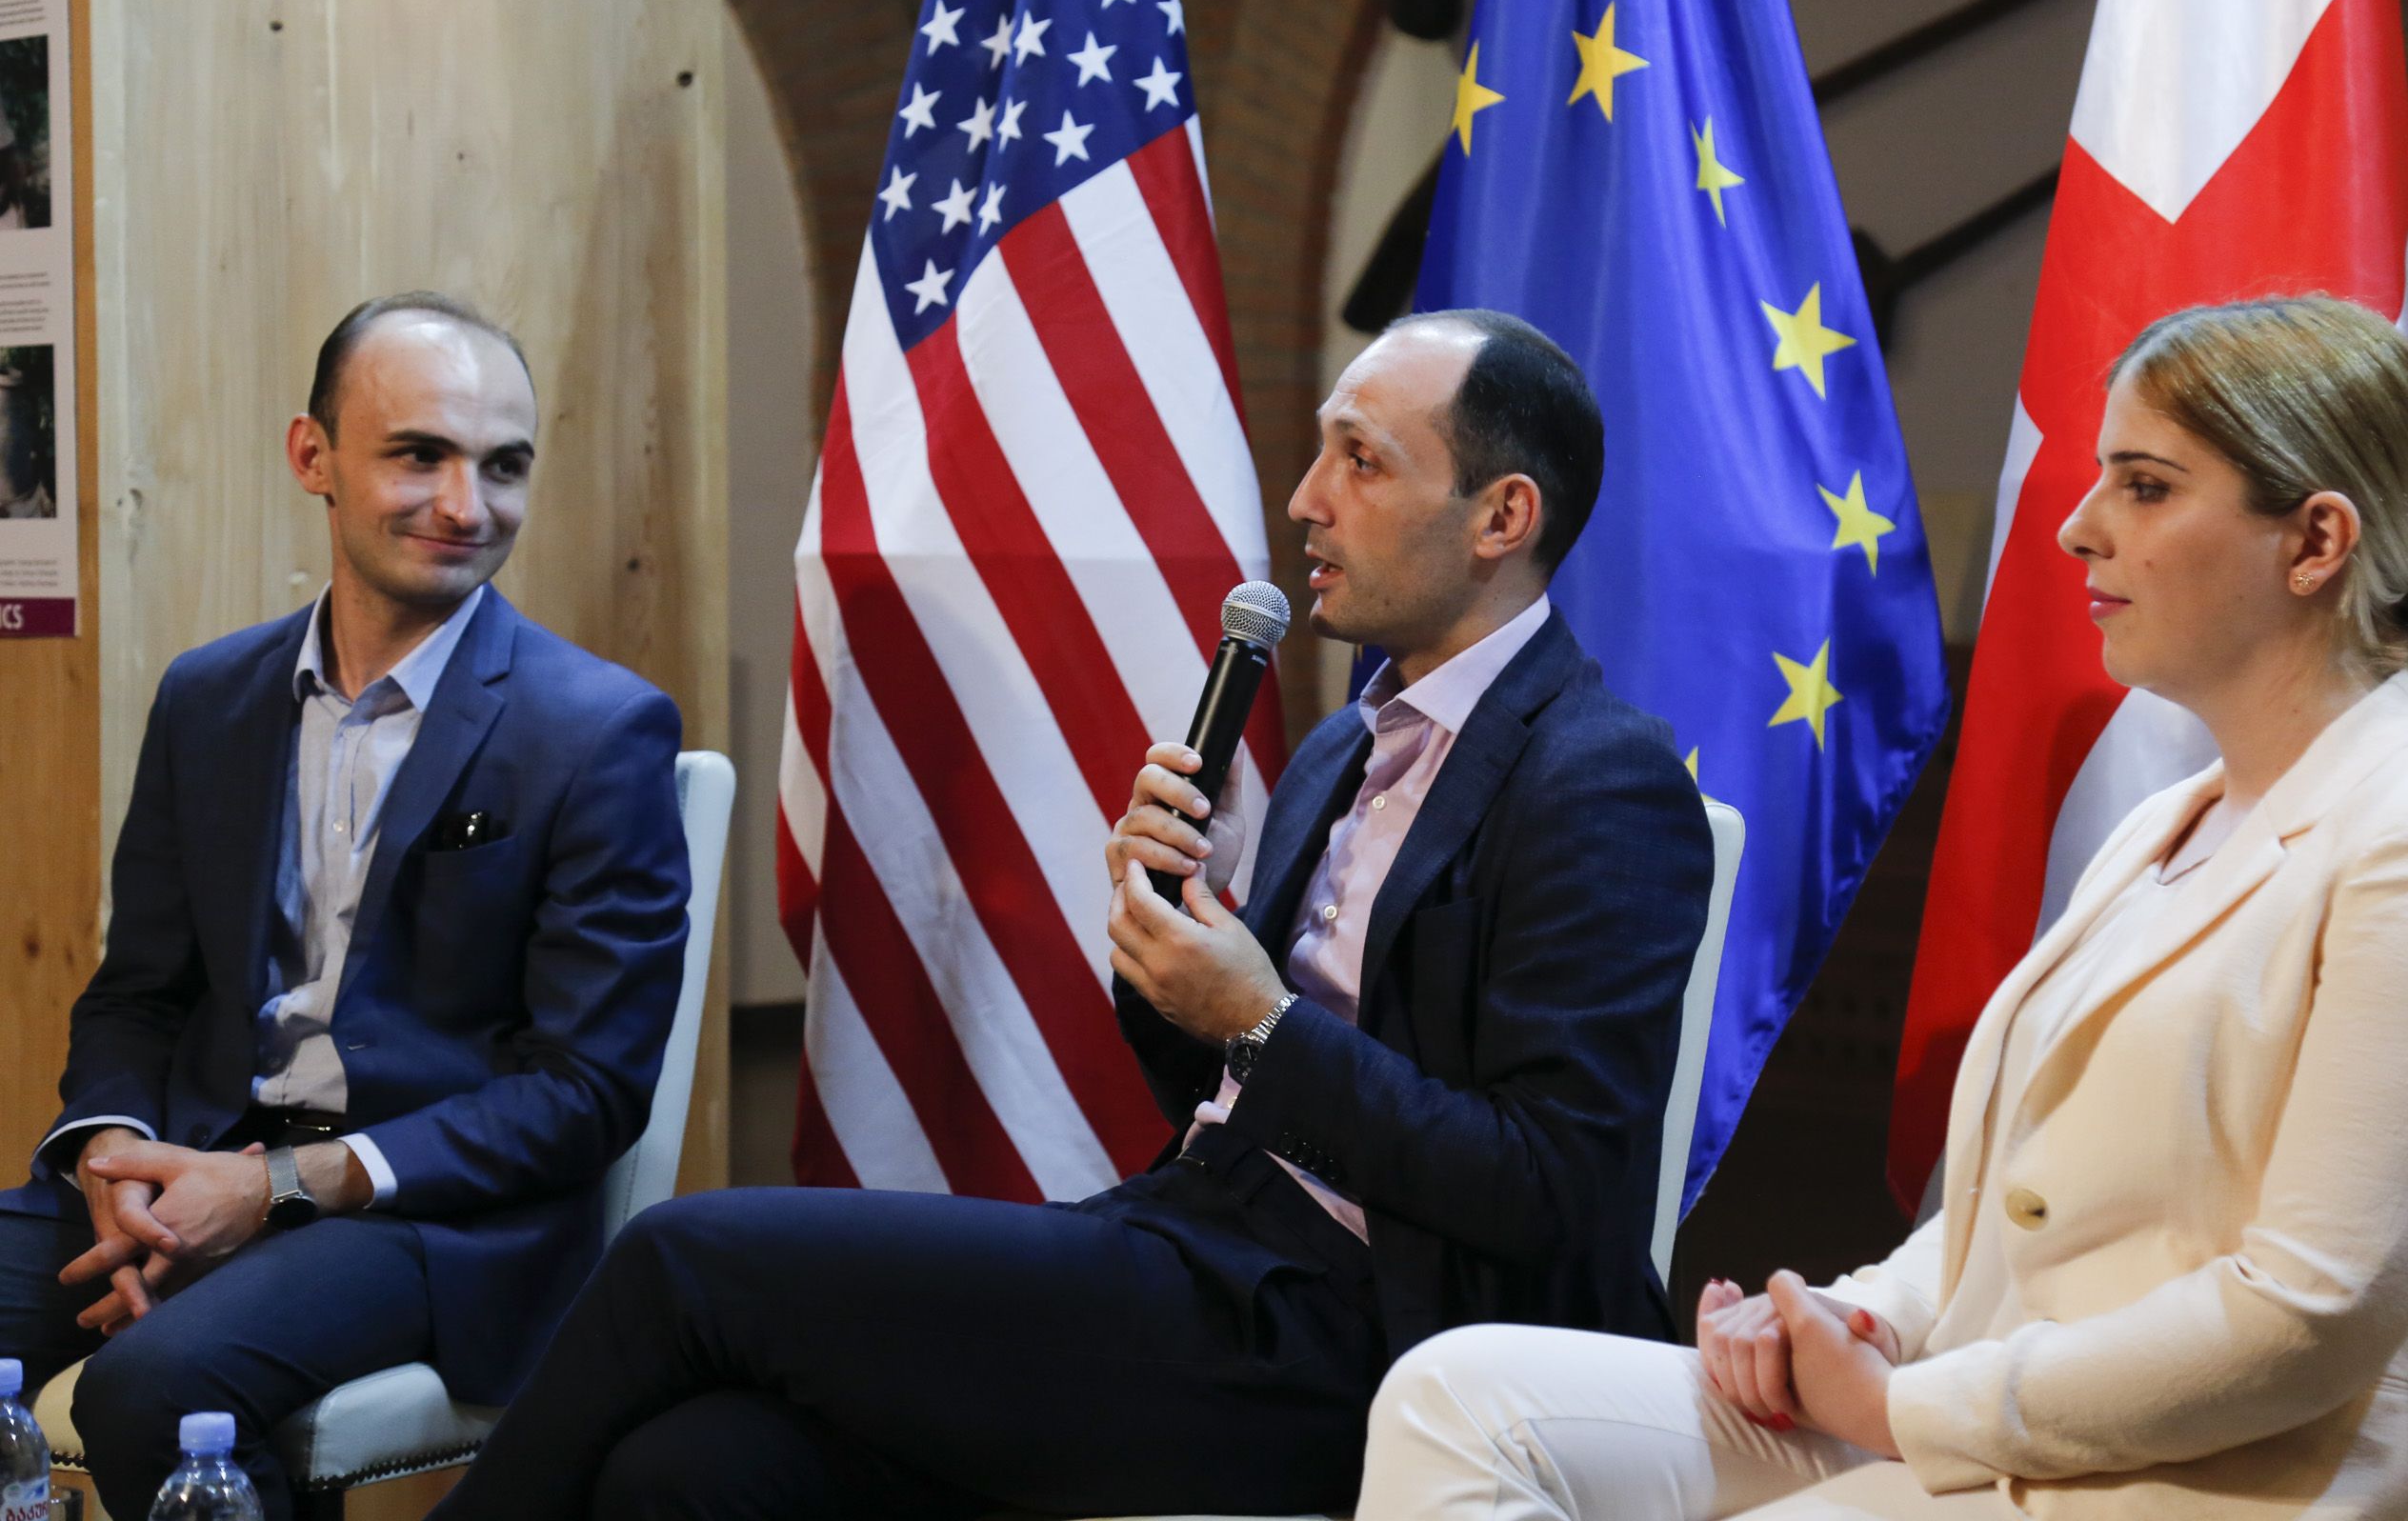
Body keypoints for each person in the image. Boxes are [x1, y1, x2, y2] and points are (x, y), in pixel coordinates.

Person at [428, 308, 1716, 1521]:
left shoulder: (1598, 777)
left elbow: (1555, 1187)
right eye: (1322, 451)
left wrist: (1257, 1019)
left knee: (684, 1256)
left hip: (1363, 1328)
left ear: (1502, 516)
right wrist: (1170, 943)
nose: (1306, 499)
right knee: (689, 1471)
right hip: (1198, 1236)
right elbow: (1217, 1086)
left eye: (1362, 461)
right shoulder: (1342, 747)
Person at [1361, 294, 2408, 1521]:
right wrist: (1859, 1320)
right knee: (1457, 1395)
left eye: (2146, 487)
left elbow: (2309, 1317)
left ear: (2315, 541)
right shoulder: (2167, 825)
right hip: (2004, 1433)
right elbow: (2007, 1217)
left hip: (2204, 1486)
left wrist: (1904, 1410)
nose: (2079, 529)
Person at [0, 293, 693, 1521]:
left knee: (153, 1388)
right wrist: (113, 1159)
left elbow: (584, 1090)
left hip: (433, 1218)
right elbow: (138, 995)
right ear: (312, 456)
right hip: (192, 1167)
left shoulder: (599, 730)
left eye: (504, 466)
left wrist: (278, 1188)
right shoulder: (208, 697)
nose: (468, 506)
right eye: (420, 455)